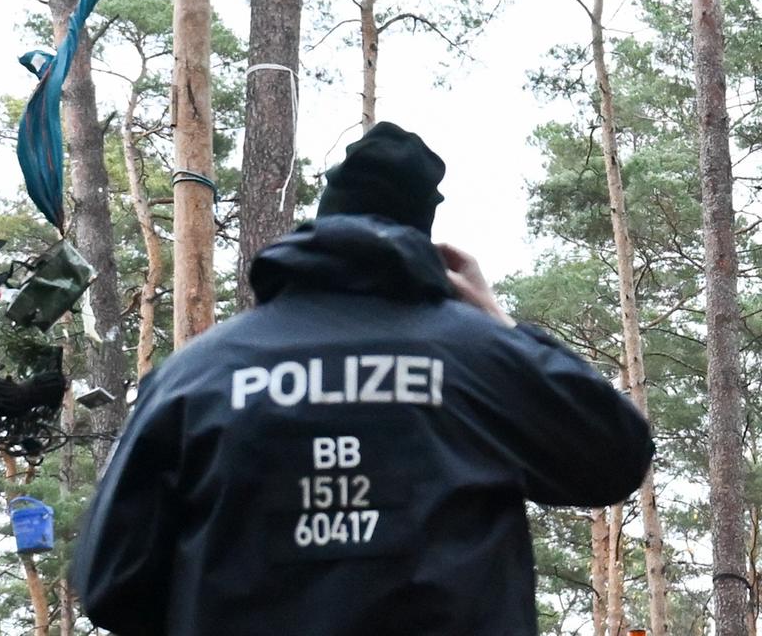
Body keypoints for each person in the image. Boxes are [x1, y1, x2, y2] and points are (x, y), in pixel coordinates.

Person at [69, 121, 652, 635]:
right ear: (428, 240)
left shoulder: (196, 375)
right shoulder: (481, 359)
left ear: (321, 222)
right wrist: (498, 323)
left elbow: (110, 582)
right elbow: (613, 458)